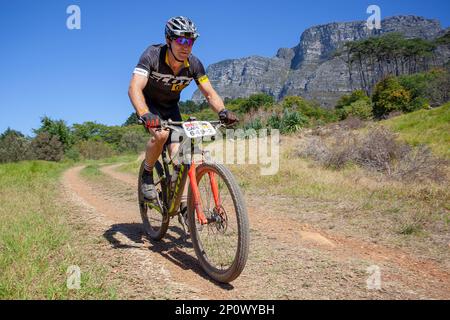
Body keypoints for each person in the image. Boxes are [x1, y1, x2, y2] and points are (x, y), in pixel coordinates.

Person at [128, 16, 238, 206]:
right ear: (169, 40)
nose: (186, 46)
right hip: (150, 106)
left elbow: (210, 93)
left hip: (171, 109)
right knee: (161, 136)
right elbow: (134, 88)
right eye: (182, 40)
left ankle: (181, 200)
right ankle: (147, 173)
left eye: (191, 41)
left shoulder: (194, 65)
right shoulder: (152, 55)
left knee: (181, 155)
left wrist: (223, 111)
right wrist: (145, 114)